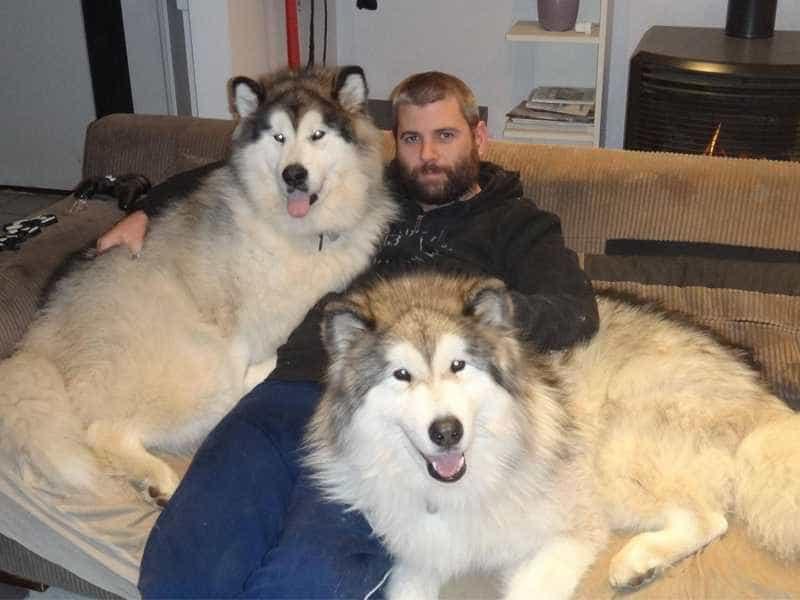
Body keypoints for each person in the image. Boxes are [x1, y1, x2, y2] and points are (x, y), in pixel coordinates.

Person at [102, 71, 598, 598]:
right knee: (181, 569)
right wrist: (145, 209)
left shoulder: (520, 224)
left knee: (306, 581)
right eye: (411, 138)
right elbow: (243, 169)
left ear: (479, 136)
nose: (427, 154)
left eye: (445, 136)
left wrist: (459, 321)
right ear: (393, 143)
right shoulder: (367, 188)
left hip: (385, 423)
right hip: (292, 383)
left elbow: (576, 313)